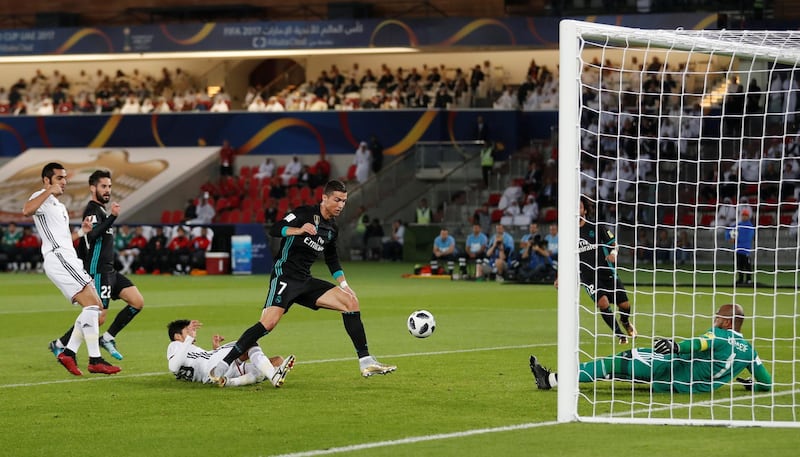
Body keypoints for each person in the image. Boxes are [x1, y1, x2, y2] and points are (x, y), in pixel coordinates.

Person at [208, 180, 395, 382]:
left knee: (351, 302)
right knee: (268, 324)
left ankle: (366, 362)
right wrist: (298, 230)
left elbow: (332, 259)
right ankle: (223, 364)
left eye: (344, 201)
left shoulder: (332, 228)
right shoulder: (304, 213)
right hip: (285, 275)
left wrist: (345, 285)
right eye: (337, 200)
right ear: (324, 198)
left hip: (305, 280)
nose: (341, 205)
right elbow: (276, 228)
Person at [530, 303, 772, 393]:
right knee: (625, 363)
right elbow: (767, 383)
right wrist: (752, 385)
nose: (715, 320)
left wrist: (676, 346)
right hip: (693, 385)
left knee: (618, 362)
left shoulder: (719, 334)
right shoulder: (749, 351)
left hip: (672, 374)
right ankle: (554, 379)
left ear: (727, 322)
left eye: (718, 317)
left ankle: (549, 380)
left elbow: (700, 343)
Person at [23, 162, 120, 376]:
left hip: (67, 255)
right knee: (94, 307)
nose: (64, 182)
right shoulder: (43, 196)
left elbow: (66, 239)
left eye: (65, 178)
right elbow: (26, 210)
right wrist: (48, 190)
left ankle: (76, 355)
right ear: (47, 180)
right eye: (59, 178)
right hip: (58, 257)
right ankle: (89, 358)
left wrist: (82, 232)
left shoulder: (58, 206)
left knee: (94, 308)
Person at [49, 170, 145, 362]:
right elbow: (91, 235)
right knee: (97, 317)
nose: (108, 190)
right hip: (98, 270)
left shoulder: (101, 210)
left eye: (109, 186)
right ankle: (60, 344)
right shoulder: (93, 210)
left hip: (109, 270)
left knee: (137, 302)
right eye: (103, 186)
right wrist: (113, 217)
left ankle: (107, 339)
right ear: (93, 188)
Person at [567, 197, 636, 344]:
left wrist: (613, 254)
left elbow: (614, 244)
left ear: (584, 210)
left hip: (606, 272)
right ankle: (620, 335)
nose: (576, 210)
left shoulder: (596, 227)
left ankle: (625, 321)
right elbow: (564, 257)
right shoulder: (568, 233)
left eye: (579, 207)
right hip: (587, 276)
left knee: (624, 305)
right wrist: (560, 276)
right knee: (603, 303)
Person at [167, 319, 295, 388]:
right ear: (177, 336)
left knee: (278, 361)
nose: (192, 332)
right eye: (188, 330)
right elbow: (173, 366)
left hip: (213, 372)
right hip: (214, 368)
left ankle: (230, 382)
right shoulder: (175, 345)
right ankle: (273, 375)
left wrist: (216, 348)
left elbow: (201, 361)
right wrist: (188, 339)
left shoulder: (189, 352)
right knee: (249, 341)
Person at [726, 208, 755, 285]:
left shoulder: (750, 226)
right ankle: (741, 279)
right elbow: (730, 231)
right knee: (739, 266)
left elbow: (748, 237)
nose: (744, 217)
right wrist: (731, 237)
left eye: (745, 215)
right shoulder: (738, 225)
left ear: (748, 216)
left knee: (747, 265)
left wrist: (736, 238)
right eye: (743, 215)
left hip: (746, 249)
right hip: (738, 249)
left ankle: (748, 279)